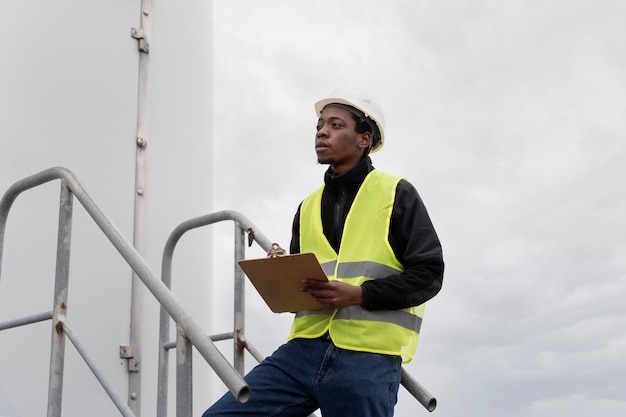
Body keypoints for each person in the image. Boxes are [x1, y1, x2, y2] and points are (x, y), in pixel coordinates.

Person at [203, 91, 444, 417]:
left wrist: (359, 294)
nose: (321, 132)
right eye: (319, 125)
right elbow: (305, 276)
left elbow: (429, 274)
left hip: (367, 356)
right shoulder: (307, 207)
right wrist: (286, 289)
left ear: (363, 139)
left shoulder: (396, 193)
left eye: (335, 124)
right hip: (303, 350)